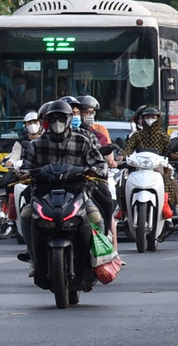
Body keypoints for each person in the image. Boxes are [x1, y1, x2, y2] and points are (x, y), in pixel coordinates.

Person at [13, 98, 111, 260]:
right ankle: (33, 256)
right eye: (53, 118)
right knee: (25, 215)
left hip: (78, 193)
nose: (57, 122)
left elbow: (101, 165)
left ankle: (99, 255)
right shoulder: (37, 144)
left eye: (61, 118)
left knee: (96, 217)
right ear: (47, 121)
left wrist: (94, 171)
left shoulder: (82, 141)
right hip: (44, 194)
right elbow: (26, 167)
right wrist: (22, 174)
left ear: (69, 119)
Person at [120, 103, 178, 213]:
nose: (150, 119)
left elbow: (171, 150)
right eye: (147, 117)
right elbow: (129, 148)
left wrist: (173, 155)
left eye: (153, 117)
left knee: (170, 180)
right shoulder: (137, 136)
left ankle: (175, 206)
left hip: (157, 166)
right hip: (138, 167)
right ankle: (121, 208)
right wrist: (122, 156)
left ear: (158, 119)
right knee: (122, 180)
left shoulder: (163, 136)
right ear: (142, 119)